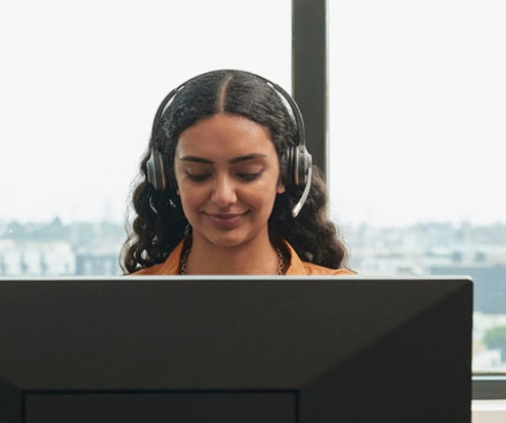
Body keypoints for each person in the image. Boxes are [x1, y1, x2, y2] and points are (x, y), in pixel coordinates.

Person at [122, 69, 353, 276]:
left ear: (287, 174)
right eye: (198, 174)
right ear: (169, 178)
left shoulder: (344, 299)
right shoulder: (128, 303)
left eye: (248, 173)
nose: (224, 197)